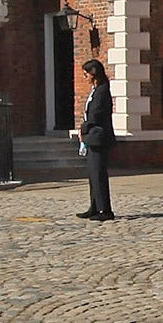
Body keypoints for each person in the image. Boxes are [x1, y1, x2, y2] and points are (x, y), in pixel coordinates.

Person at [71, 57, 114, 221]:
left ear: (94, 73)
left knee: (99, 173)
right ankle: (95, 206)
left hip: (99, 137)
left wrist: (84, 128)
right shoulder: (95, 90)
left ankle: (105, 210)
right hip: (92, 137)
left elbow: (96, 115)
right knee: (92, 174)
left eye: (86, 74)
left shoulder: (103, 91)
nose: (85, 77)